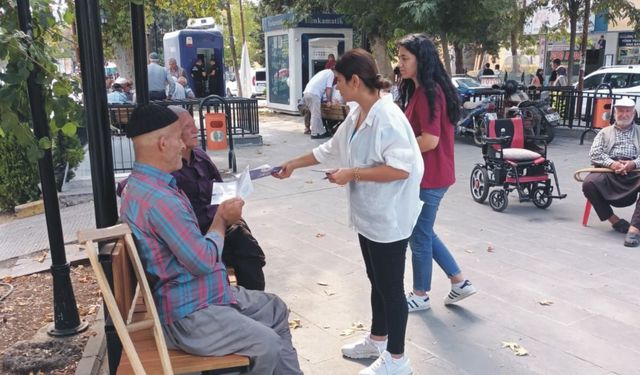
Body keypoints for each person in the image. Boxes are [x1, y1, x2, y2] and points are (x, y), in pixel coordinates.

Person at [119, 103, 302, 374]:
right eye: (179, 138)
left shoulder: (146, 186)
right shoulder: (159, 199)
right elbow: (203, 261)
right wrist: (221, 220)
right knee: (268, 345)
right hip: (191, 314)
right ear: (162, 143)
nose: (184, 145)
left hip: (205, 295)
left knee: (274, 308)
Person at [273, 48, 423, 375]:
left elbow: (401, 169)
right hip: (369, 215)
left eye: (339, 81)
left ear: (355, 80)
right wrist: (292, 164)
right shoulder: (357, 114)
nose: (336, 87)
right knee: (376, 280)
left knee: (391, 288)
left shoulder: (388, 117)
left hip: (390, 217)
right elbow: (330, 149)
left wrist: (351, 174)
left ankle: (397, 361)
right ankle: (377, 339)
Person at [396, 33, 477, 313]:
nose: (400, 64)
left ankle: (420, 295)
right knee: (424, 232)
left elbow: (430, 140)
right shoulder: (421, 90)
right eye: (399, 57)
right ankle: (459, 282)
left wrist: (394, 152)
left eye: (405, 58)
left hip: (430, 177)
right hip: (431, 175)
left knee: (418, 237)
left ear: (422, 59)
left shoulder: (430, 93)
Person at [168, 105, 266, 290]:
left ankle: (250, 299)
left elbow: (220, 186)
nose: (196, 130)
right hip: (198, 237)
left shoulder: (200, 156)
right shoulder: (169, 169)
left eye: (194, 124)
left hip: (222, 224)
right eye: (187, 127)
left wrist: (234, 196)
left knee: (245, 242)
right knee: (244, 246)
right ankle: (247, 301)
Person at [582, 97, 640, 247]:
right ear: (615, 113)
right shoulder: (604, 132)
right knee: (589, 183)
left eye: (628, 111)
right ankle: (614, 221)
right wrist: (613, 164)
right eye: (621, 111)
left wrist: (633, 164)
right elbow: (595, 154)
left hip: (635, 170)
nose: (624, 114)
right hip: (608, 169)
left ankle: (634, 229)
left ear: (634, 113)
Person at [302, 69, 335, 139]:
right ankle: (314, 134)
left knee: (315, 113)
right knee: (315, 114)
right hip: (314, 94)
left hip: (306, 92)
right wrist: (329, 101)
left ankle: (321, 132)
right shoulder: (331, 74)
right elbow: (328, 88)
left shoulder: (323, 72)